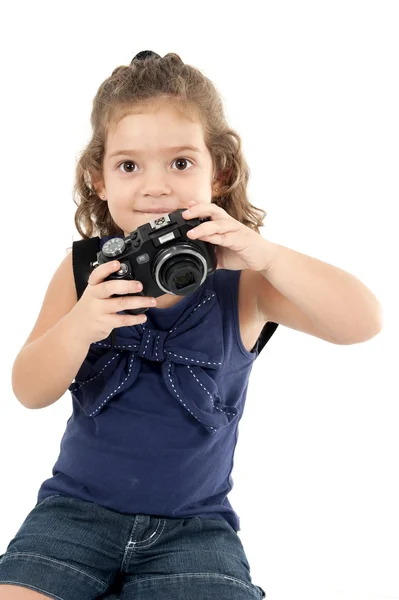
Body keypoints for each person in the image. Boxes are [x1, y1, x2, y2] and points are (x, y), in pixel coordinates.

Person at [0, 51, 382, 600]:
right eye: (129, 166)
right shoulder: (86, 269)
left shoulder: (244, 283)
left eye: (181, 163)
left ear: (219, 172)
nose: (156, 187)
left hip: (193, 532)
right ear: (99, 178)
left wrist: (265, 254)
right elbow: (28, 390)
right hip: (73, 518)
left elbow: (362, 322)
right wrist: (81, 324)